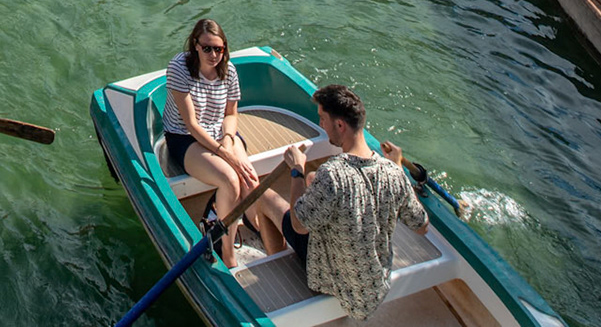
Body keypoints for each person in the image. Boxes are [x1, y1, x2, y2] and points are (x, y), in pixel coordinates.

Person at [266, 85, 429, 322]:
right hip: (374, 287)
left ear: (340, 125)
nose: (321, 125)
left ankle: (284, 273)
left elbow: (299, 224)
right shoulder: (392, 173)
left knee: (265, 199)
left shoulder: (333, 174)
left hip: (335, 284)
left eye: (323, 119)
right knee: (314, 181)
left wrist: (297, 170)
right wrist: (396, 167)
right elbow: (422, 227)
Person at [164, 19, 258, 265]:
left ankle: (250, 222)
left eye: (219, 49)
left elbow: (231, 115)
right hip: (184, 136)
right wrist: (224, 154)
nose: (214, 54)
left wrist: (227, 141)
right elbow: (192, 125)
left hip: (221, 133)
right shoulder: (179, 67)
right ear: (195, 45)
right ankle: (226, 251)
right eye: (207, 48)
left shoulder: (229, 70)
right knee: (229, 179)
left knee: (249, 178)